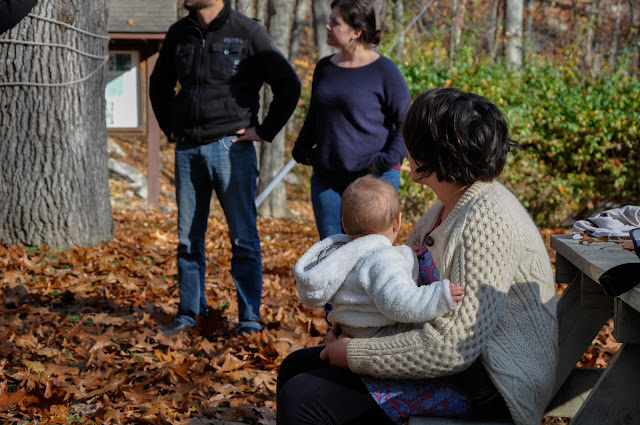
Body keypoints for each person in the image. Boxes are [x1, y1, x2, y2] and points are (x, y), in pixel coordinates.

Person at [277, 88, 559, 425]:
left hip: (491, 385)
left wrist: (353, 353)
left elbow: (454, 347)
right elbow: (394, 286)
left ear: (434, 152)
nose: (404, 145)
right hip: (452, 363)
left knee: (303, 399)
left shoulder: (489, 219)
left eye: (410, 138)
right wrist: (345, 330)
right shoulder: (444, 209)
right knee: (295, 367)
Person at [149, 0, 301, 335]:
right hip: (188, 149)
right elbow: (158, 85)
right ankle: (189, 314)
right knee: (188, 240)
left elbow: (289, 85)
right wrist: (170, 127)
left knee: (243, 238)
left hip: (232, 149)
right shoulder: (179, 33)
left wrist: (264, 130)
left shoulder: (248, 31)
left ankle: (249, 319)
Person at [291, 0, 411, 240]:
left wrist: (384, 161)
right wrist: (304, 152)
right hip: (327, 181)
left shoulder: (384, 70)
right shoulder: (324, 68)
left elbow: (406, 123)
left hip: (374, 181)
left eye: (335, 22)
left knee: (372, 251)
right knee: (332, 253)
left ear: (356, 31)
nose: (327, 26)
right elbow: (315, 117)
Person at [295, 175, 464, 338]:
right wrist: (439, 296)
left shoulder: (343, 255)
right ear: (397, 222)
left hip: (349, 330)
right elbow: (400, 302)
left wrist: (407, 255)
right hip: (378, 334)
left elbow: (371, 268)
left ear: (344, 225)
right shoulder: (384, 259)